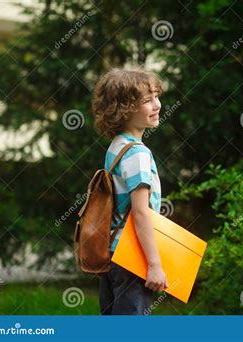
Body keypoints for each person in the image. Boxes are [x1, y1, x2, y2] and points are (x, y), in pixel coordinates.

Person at [92, 67, 168, 315]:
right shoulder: (137, 154)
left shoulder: (117, 146)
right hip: (132, 257)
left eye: (156, 96)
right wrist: (154, 265)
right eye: (147, 101)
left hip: (112, 254)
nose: (157, 104)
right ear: (124, 109)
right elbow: (140, 212)